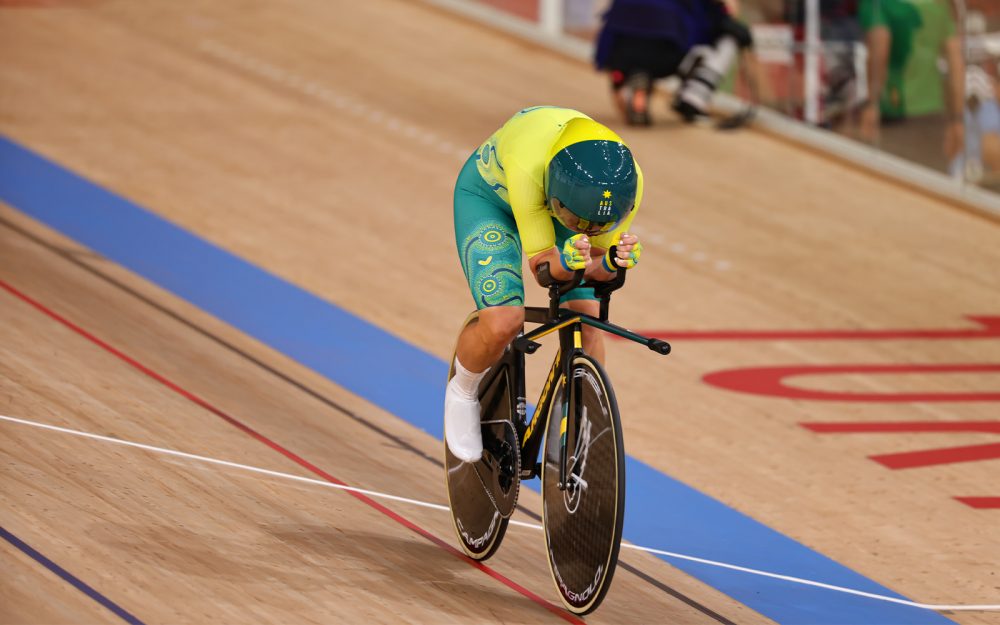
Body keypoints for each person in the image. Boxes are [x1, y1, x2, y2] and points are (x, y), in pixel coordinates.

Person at [445, 106, 645, 462]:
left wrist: (612, 261)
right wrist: (567, 262)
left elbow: (595, 270)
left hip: (564, 206)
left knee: (586, 319)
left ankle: (576, 416)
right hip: (493, 201)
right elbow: (545, 270)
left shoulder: (626, 186)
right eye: (580, 223)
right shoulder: (528, 164)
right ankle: (463, 389)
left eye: (597, 226)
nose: (588, 231)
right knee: (504, 320)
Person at [593, 0, 755, 125]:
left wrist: (615, 79)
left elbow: (607, 35)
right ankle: (693, 98)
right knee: (728, 38)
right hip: (668, 53)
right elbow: (715, 17)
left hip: (621, 53)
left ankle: (629, 85)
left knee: (630, 61)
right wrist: (730, 24)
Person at [856, 0, 965, 172]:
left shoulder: (878, 4)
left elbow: (879, 50)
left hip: (894, 114)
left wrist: (872, 103)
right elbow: (956, 62)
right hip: (933, 111)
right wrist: (957, 118)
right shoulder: (940, 4)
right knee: (930, 182)